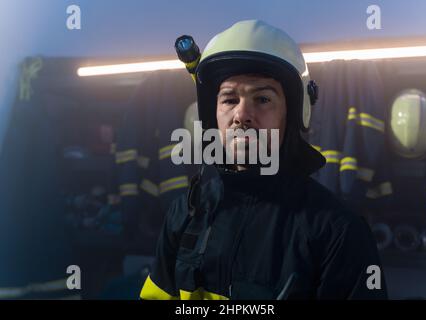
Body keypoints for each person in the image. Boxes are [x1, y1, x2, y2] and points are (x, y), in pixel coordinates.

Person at [140, 20, 387, 300]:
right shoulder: (185, 214)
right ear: (212, 116)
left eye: (263, 99)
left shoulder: (339, 233)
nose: (242, 114)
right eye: (229, 99)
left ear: (292, 114)